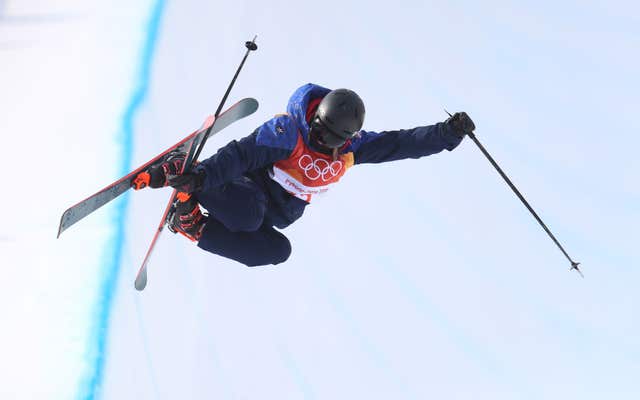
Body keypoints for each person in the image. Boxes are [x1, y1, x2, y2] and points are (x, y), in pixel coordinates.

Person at [134, 83, 475, 267]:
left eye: (327, 139)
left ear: (344, 140)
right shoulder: (288, 131)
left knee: (275, 251)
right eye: (317, 130)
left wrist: (448, 133)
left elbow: (400, 143)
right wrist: (203, 176)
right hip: (240, 190)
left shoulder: (352, 150)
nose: (318, 140)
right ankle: (185, 172)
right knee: (249, 214)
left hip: (265, 214)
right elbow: (242, 154)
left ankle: (192, 224)